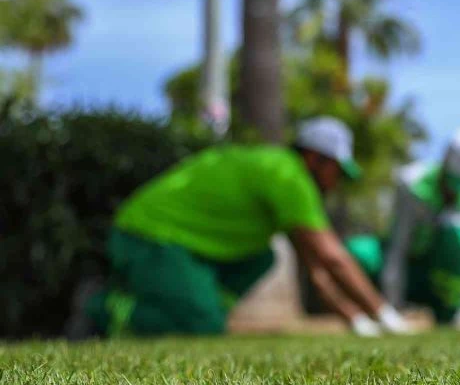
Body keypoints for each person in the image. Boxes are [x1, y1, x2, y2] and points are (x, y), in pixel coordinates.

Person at [67, 117, 411, 339]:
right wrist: (384, 315)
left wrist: (356, 322)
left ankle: (201, 306)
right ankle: (102, 307)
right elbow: (332, 257)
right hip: (150, 237)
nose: (336, 181)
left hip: (177, 244)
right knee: (203, 327)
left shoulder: (281, 175)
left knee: (261, 257)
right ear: (315, 158)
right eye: (336, 170)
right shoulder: (289, 176)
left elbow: (317, 272)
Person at [345, 127, 460, 326]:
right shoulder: (412, 184)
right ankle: (363, 311)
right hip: (409, 268)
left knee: (459, 234)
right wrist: (391, 308)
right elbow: (398, 246)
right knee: (358, 251)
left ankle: (449, 311)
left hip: (439, 274)